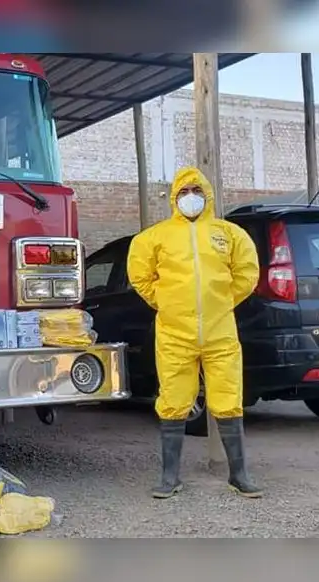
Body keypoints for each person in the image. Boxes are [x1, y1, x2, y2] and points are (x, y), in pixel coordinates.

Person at [126, 166, 263, 499]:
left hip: (220, 332)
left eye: (196, 191)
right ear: (174, 198)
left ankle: (239, 475)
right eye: (184, 192)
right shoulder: (154, 237)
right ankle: (169, 477)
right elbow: (139, 276)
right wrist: (166, 301)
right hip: (174, 333)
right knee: (173, 400)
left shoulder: (229, 234)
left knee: (229, 399)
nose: (191, 198)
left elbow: (248, 272)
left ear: (208, 196)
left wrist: (222, 301)